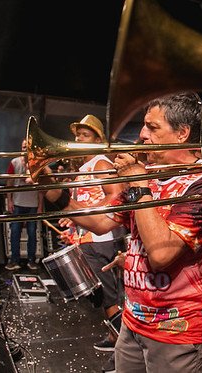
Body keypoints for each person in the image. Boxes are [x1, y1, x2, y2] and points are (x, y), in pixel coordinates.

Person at [46, 91, 202, 373]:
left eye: (152, 127)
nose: (142, 135)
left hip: (177, 333)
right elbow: (101, 222)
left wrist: (139, 184)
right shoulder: (148, 175)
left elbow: (162, 254)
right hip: (132, 324)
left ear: (182, 133)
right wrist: (56, 193)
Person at [46, 114, 127, 371]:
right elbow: (85, 201)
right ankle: (115, 337)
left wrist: (87, 214)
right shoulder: (86, 166)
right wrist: (74, 221)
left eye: (85, 135)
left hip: (100, 238)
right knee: (102, 296)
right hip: (89, 237)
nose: (79, 139)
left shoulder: (101, 163)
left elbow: (115, 196)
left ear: (98, 139)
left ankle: (123, 351)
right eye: (78, 135)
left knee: (108, 297)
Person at [5, 139, 43, 271]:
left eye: (27, 147)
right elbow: (9, 182)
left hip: (33, 204)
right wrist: (9, 200)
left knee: (32, 233)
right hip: (17, 203)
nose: (24, 149)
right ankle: (14, 260)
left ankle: (31, 260)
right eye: (23, 147)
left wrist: (40, 205)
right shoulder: (14, 162)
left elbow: (41, 187)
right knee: (15, 232)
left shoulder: (37, 164)